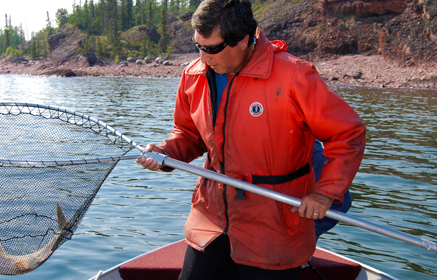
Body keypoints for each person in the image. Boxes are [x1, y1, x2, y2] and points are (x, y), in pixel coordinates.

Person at [136, 0, 366, 279]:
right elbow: (189, 136)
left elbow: (347, 133)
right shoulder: (193, 75)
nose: (204, 57)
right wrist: (165, 152)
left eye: (212, 49)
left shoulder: (295, 75)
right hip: (210, 222)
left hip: (274, 228)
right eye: (198, 46)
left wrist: (325, 192)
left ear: (244, 40)